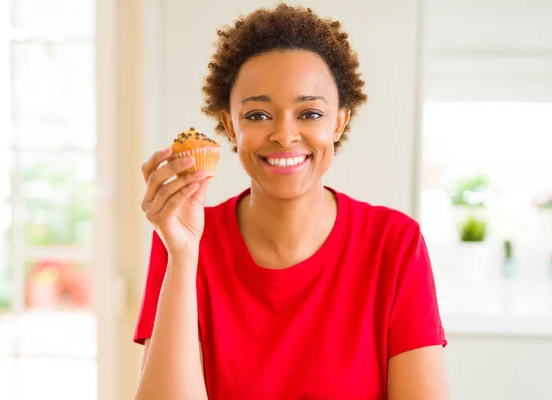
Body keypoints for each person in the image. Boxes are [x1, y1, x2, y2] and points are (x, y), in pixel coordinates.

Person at [134, 3, 448, 400]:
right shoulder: (184, 242)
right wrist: (181, 256)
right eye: (258, 115)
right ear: (231, 126)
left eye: (311, 113)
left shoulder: (395, 244)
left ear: (339, 121)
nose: (284, 135)